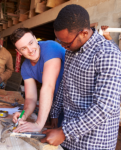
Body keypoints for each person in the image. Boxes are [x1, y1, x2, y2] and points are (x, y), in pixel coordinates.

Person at [40, 4, 121, 150]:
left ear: (83, 33)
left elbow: (104, 107)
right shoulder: (71, 52)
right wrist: (54, 114)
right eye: (60, 42)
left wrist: (65, 132)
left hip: (95, 142)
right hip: (68, 137)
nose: (63, 46)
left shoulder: (107, 53)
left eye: (66, 42)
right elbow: (65, 86)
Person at [10, 28, 66, 133]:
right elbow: (30, 98)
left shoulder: (51, 48)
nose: (30, 50)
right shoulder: (26, 67)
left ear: (36, 39)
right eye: (24, 48)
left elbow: (48, 87)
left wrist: (38, 124)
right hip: (56, 106)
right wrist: (23, 115)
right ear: (19, 52)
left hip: (74, 104)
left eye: (31, 43)